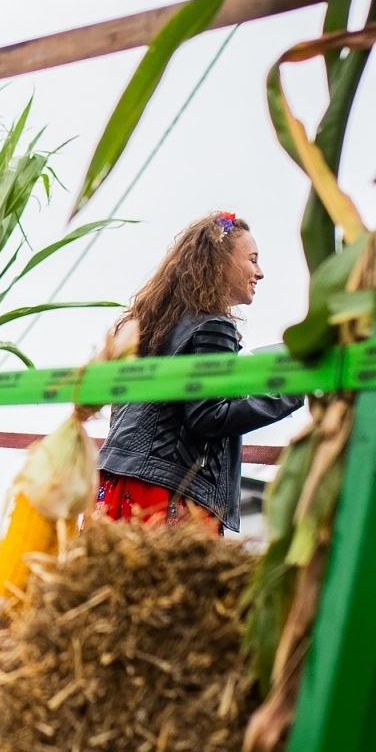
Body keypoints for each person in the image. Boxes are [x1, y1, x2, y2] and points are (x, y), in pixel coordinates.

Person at [96, 213, 302, 532]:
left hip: (118, 479)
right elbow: (208, 415)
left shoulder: (153, 326)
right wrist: (289, 393)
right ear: (220, 263)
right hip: (166, 494)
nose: (260, 272)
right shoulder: (214, 326)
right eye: (252, 260)